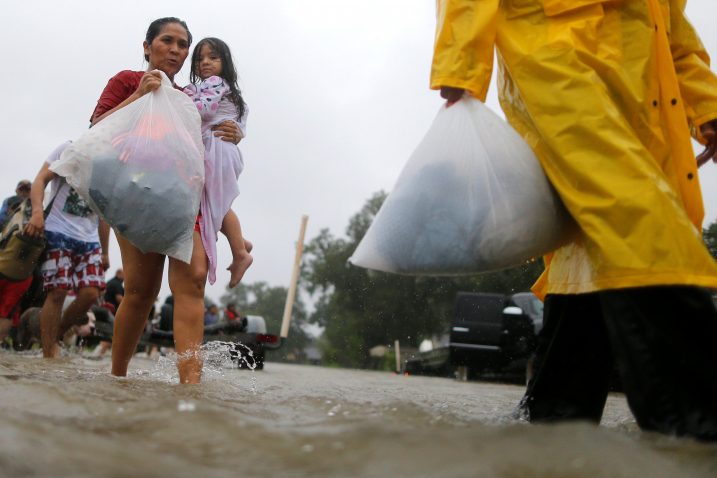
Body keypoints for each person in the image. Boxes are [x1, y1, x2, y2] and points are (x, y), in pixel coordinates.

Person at [432, 1, 717, 441]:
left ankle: (553, 419)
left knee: (588, 240)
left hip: (643, 84)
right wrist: (462, 64)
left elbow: (672, 27)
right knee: (634, 213)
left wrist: (707, 106)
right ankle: (697, 419)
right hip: (552, 52)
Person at [89, 17, 243, 384]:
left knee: (193, 279)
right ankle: (117, 378)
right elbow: (97, 130)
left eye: (183, 44)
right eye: (167, 41)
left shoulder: (191, 96)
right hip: (136, 194)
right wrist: (139, 95)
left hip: (181, 198)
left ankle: (190, 387)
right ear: (147, 46)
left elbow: (207, 143)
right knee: (141, 292)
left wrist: (235, 134)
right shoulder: (128, 80)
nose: (176, 50)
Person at [23, 142, 110, 358]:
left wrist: (105, 251)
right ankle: (49, 352)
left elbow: (104, 212)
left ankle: (56, 335)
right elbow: (40, 179)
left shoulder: (110, 163)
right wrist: (37, 213)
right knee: (58, 291)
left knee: (91, 293)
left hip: (89, 239)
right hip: (57, 230)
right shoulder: (70, 149)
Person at [184, 37, 253, 288]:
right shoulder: (234, 94)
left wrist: (182, 99)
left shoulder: (214, 84)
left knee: (213, 203)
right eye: (200, 59)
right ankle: (239, 243)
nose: (205, 63)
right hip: (224, 149)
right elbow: (241, 122)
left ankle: (240, 252)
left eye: (213, 57)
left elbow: (205, 111)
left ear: (225, 62)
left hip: (216, 149)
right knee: (213, 201)